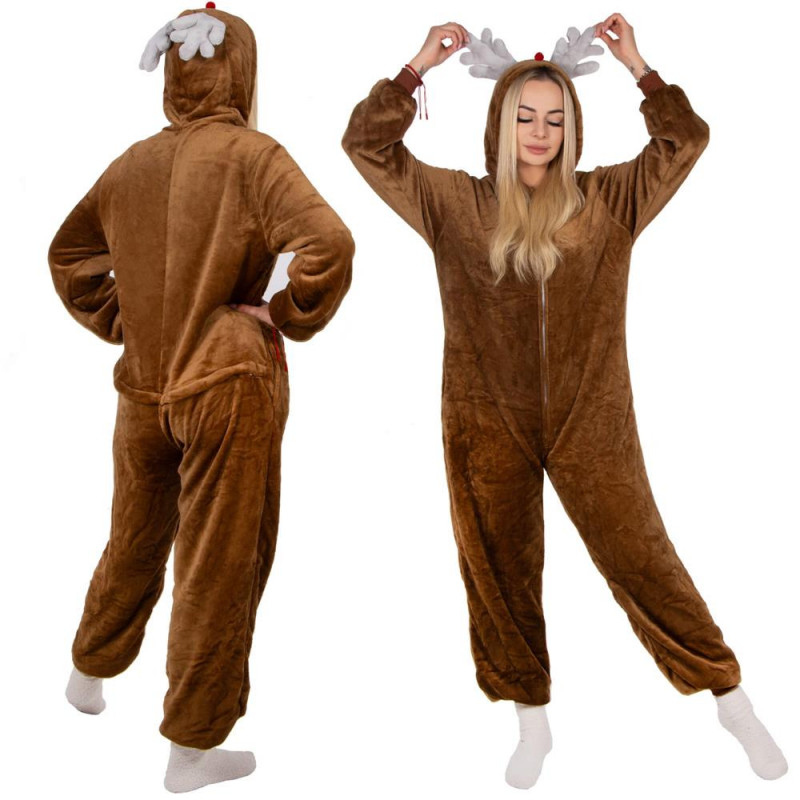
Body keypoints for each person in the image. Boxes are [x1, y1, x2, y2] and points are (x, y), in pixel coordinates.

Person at [342, 13, 787, 789]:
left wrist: (640, 68)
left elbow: (685, 141)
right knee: (497, 570)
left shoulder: (610, 198)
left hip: (593, 423)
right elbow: (366, 146)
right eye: (525, 117)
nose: (540, 133)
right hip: (486, 422)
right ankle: (532, 721)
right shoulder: (455, 204)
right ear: (501, 123)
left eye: (554, 119)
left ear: (573, 128)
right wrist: (416, 69)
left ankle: (731, 698)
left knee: (642, 559)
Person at [51, 5, 353, 793]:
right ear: (241, 71)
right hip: (225, 384)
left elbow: (68, 254)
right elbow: (329, 242)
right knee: (220, 561)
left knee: (134, 536)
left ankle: (88, 674)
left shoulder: (130, 165)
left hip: (143, 388)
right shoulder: (254, 156)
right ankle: (191, 748)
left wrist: (128, 321)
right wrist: (281, 314)